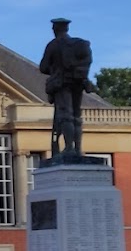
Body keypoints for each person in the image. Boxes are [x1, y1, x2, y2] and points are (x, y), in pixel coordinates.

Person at [39, 18, 96, 158]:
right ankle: (78, 149)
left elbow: (43, 67)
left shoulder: (53, 45)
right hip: (78, 82)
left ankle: (69, 148)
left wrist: (54, 68)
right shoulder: (78, 43)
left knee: (66, 115)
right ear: (67, 29)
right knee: (76, 116)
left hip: (61, 83)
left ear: (55, 29)